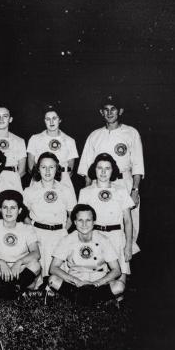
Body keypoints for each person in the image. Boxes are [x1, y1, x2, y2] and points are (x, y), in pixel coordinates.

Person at [77, 94, 144, 241]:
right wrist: (87, 193)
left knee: (129, 225)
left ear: (120, 111)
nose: (109, 113)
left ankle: (126, 257)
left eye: (113, 109)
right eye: (105, 109)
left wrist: (135, 190)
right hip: (99, 184)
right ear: (101, 112)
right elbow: (87, 168)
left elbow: (138, 165)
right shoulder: (94, 135)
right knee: (100, 223)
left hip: (124, 182)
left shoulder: (131, 133)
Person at [78, 153, 137, 284]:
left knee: (120, 278)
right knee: (96, 276)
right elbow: (81, 219)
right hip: (95, 236)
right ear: (94, 170)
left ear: (113, 170)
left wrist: (128, 245)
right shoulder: (85, 192)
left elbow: (127, 220)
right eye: (100, 168)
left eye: (107, 168)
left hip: (116, 237)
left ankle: (118, 303)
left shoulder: (121, 190)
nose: (103, 172)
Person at [48, 204, 124, 305]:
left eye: (88, 220)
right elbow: (53, 268)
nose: (84, 224)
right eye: (80, 220)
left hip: (98, 283)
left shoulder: (103, 240)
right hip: (75, 284)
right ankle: (95, 301)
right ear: (75, 222)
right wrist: (77, 281)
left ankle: (80, 300)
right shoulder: (67, 240)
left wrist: (96, 283)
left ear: (94, 222)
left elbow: (116, 270)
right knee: (53, 280)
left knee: (119, 286)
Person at [23, 152, 76, 282]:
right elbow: (23, 213)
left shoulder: (66, 190)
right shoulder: (30, 191)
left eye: (51, 167)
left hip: (59, 234)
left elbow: (72, 215)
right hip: (37, 233)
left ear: (57, 169)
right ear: (38, 169)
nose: (47, 171)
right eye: (43, 167)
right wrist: (32, 230)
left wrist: (62, 230)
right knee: (36, 274)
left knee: (57, 275)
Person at [0, 190, 41, 298]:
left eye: (13, 208)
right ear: (0, 209)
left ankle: (4, 292)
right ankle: (16, 292)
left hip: (19, 271)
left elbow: (36, 253)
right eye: (5, 207)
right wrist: (1, 262)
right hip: (1, 270)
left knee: (35, 265)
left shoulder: (27, 229)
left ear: (19, 210)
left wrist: (19, 262)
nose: (8, 211)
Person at [27, 104, 79, 190]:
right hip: (39, 181)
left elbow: (70, 168)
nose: (51, 122)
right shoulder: (35, 139)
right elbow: (30, 166)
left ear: (60, 120)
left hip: (62, 181)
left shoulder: (70, 141)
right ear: (44, 121)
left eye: (54, 118)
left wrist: (59, 180)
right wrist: (44, 179)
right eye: (48, 119)